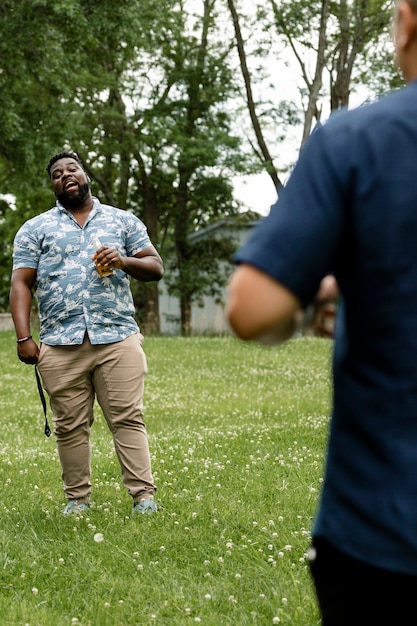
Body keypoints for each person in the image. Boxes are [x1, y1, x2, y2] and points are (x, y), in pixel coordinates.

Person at [226, 1, 417, 623]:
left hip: (385, 537)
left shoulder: (360, 139)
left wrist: (306, 295)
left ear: (409, 19)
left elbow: (253, 309)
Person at [10, 151, 164, 517]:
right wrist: (23, 336)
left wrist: (123, 261)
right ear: (53, 185)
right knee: (69, 426)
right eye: (57, 174)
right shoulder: (35, 229)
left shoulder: (122, 221)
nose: (66, 176)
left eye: (72, 169)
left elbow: (155, 267)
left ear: (85, 174)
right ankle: (77, 500)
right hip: (60, 343)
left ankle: (144, 497)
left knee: (127, 417)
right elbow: (20, 283)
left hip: (117, 336)